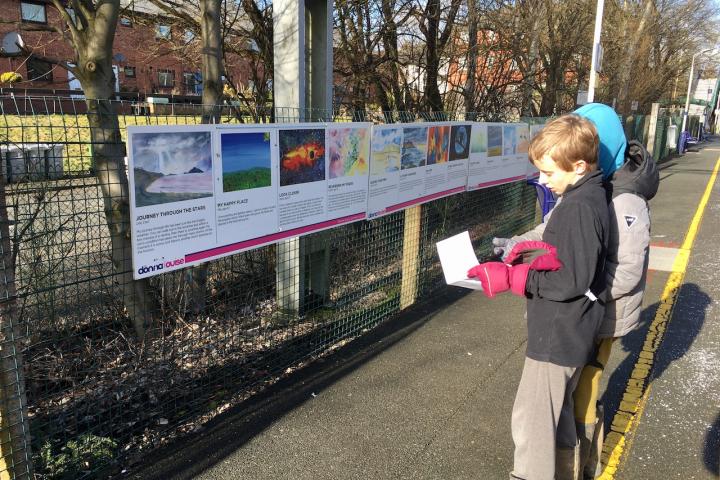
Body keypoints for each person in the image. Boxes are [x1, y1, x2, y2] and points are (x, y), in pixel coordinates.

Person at [494, 103, 659, 479]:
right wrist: (511, 246)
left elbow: (623, 270)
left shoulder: (622, 198)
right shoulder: (586, 189)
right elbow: (550, 231)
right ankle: (568, 468)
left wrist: (585, 294)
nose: (543, 178)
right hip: (578, 314)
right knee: (563, 403)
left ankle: (586, 465)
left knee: (578, 399)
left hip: (599, 316)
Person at [468, 114, 610, 480]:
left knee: (532, 425)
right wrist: (536, 251)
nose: (543, 180)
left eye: (548, 173)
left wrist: (514, 278)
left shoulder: (578, 206)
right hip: (570, 332)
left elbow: (569, 282)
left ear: (578, 166)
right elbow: (572, 259)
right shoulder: (591, 194)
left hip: (556, 335)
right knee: (556, 419)